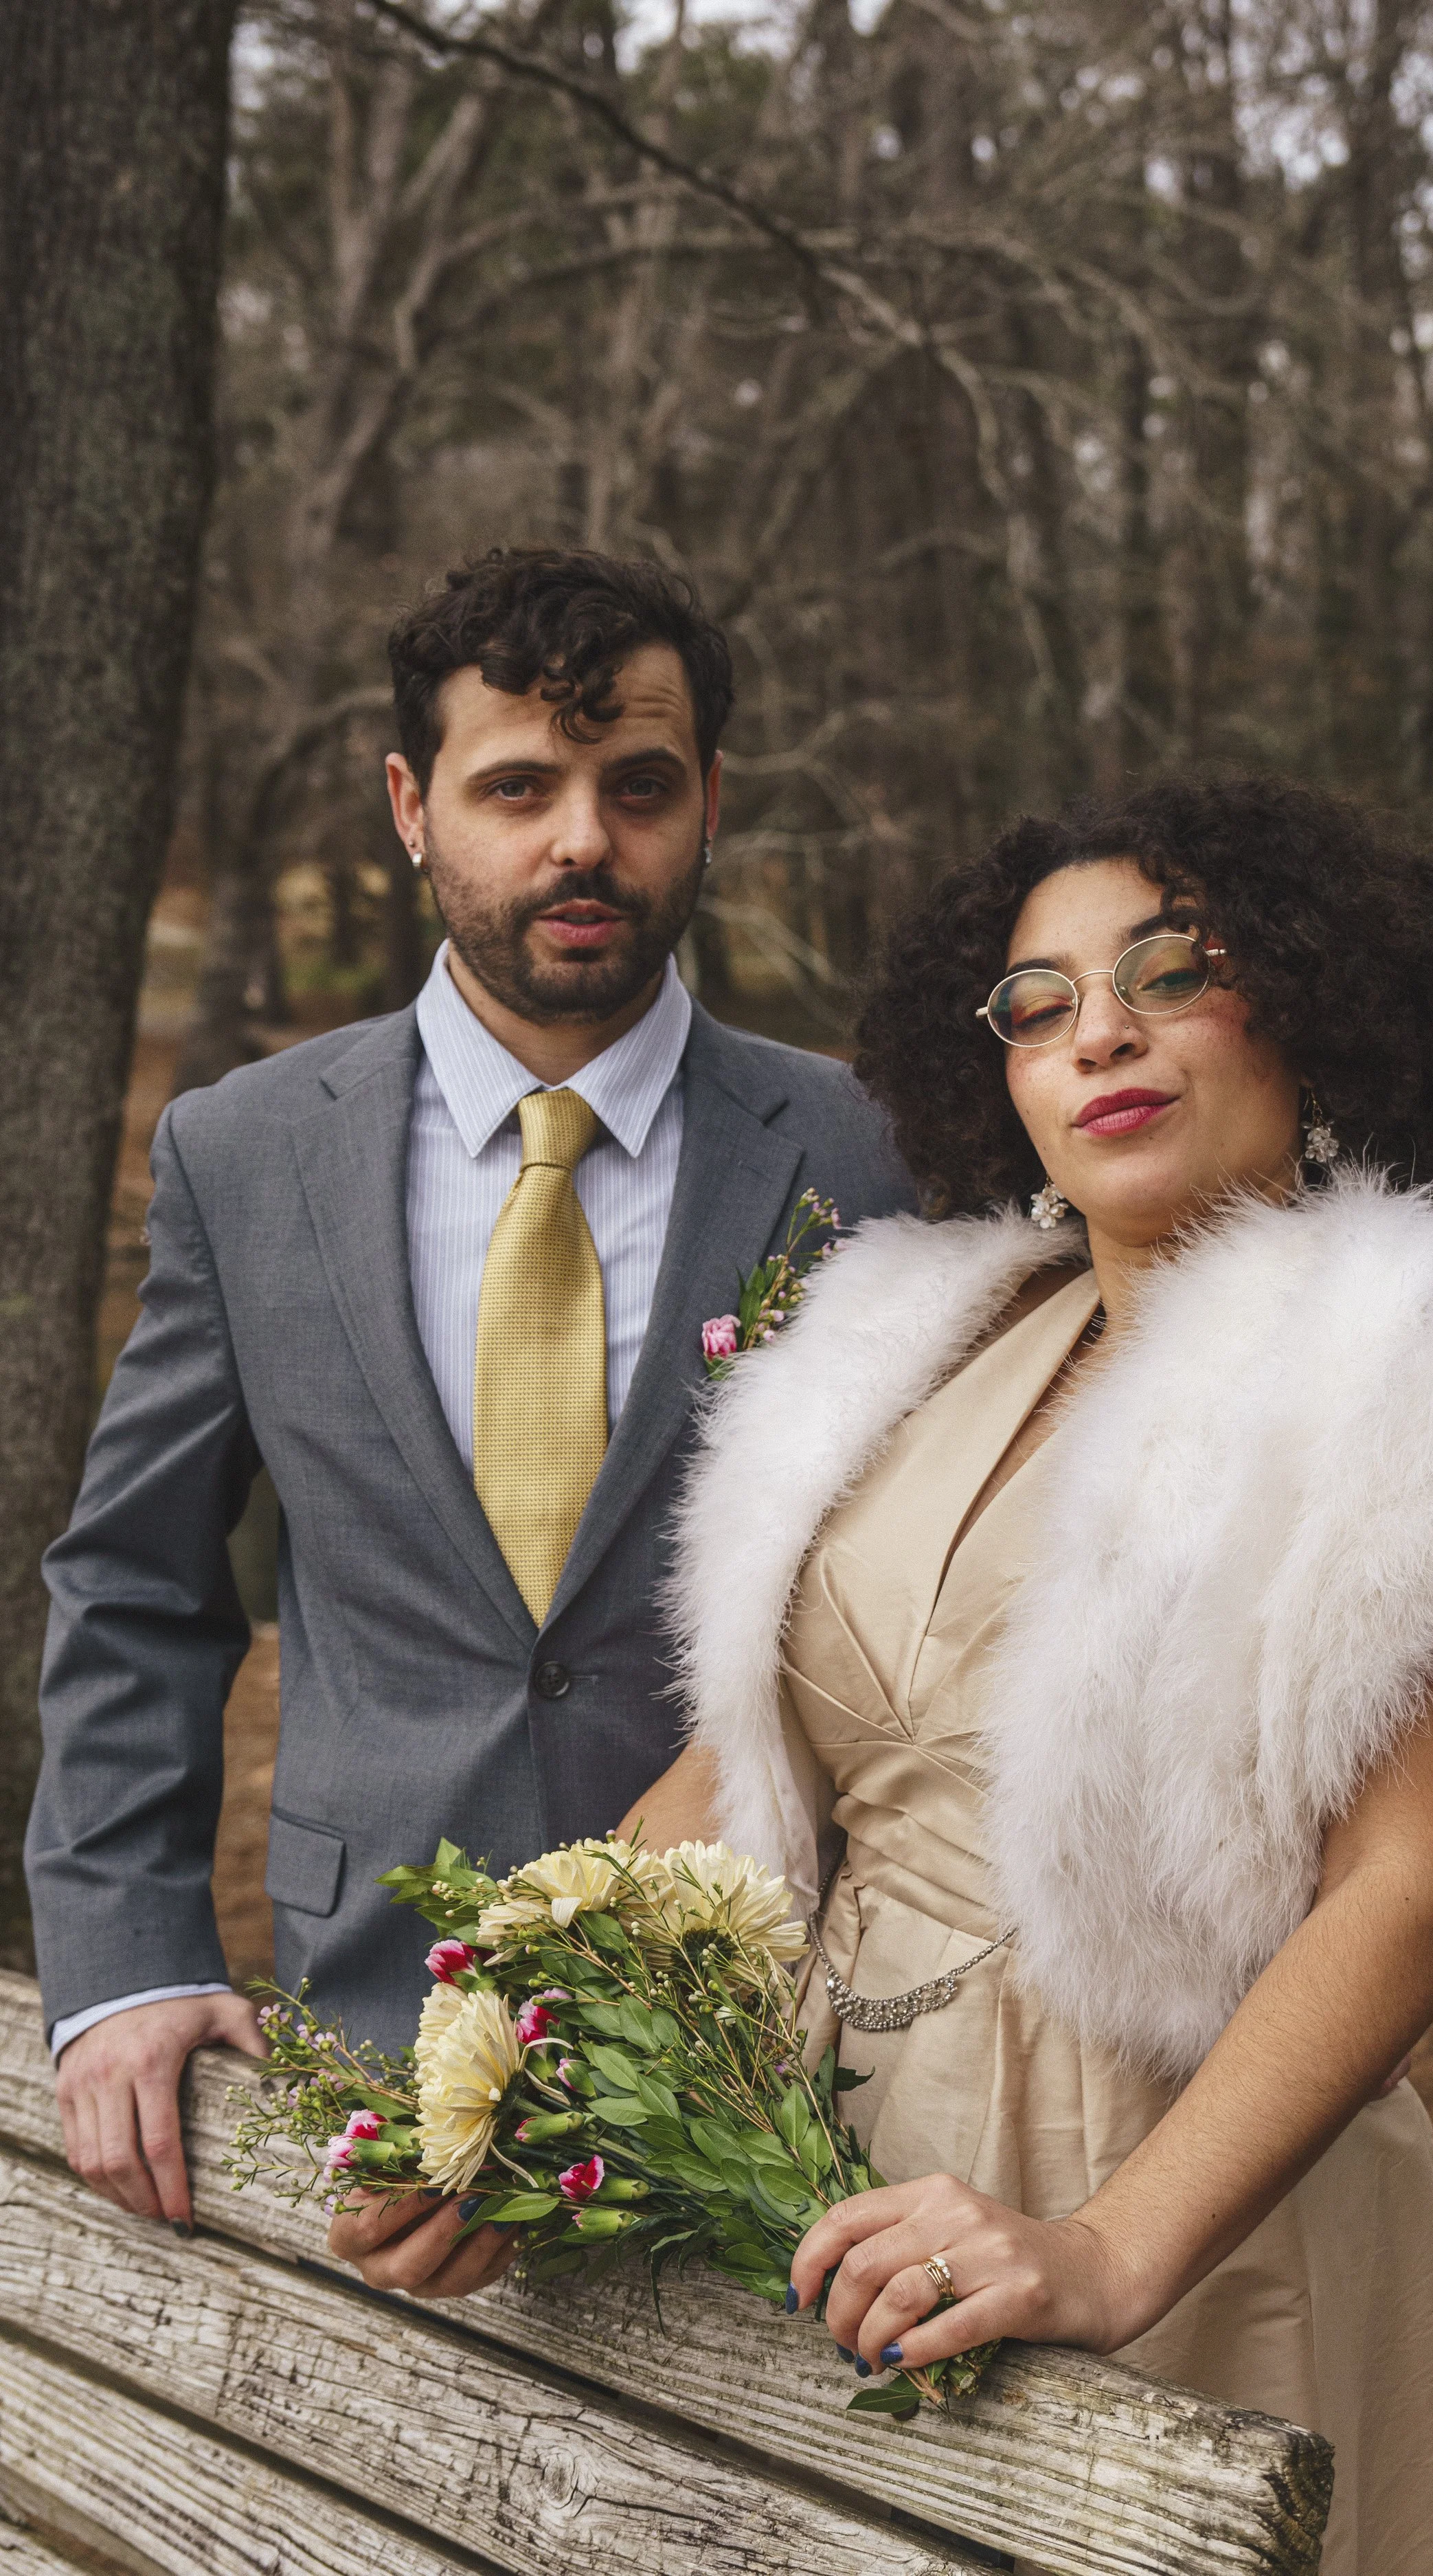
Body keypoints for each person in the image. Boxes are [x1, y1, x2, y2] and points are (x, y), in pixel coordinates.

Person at [627, 778, 1433, 2575]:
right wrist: (506, 2043)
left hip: (1178, 2179)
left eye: (1169, 968)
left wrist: (1108, 2247)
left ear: (1309, 999)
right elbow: (750, 1765)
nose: (1096, 1029)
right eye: (1034, 1004)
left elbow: (1405, 1887)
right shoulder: (916, 1335)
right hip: (823, 2160)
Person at [27, 545, 912, 2299]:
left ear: (708, 803)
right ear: (412, 807)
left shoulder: (874, 1159)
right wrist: (123, 1951)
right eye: (517, 786)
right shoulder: (247, 1151)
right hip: (369, 2041)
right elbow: (138, 1580)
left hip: (791, 2057)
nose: (581, 840)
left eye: (637, 786)